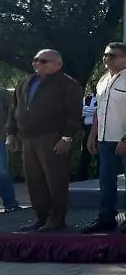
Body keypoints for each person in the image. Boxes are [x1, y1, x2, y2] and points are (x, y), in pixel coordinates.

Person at [5, 50, 82, 231]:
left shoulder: (67, 84)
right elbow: (13, 109)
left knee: (55, 180)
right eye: (35, 60)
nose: (37, 63)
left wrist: (66, 137)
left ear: (58, 64)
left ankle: (56, 219)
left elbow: (74, 113)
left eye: (43, 61)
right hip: (28, 139)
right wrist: (11, 133)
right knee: (34, 181)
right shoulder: (24, 82)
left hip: (52, 138)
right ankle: (41, 217)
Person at [81, 42, 126, 234]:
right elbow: (99, 109)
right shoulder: (104, 79)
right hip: (106, 139)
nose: (107, 59)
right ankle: (106, 218)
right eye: (106, 55)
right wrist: (92, 134)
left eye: (112, 55)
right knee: (106, 180)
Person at [0, 87, 22, 212]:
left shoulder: (3, 94)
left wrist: (9, 132)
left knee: (2, 172)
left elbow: (13, 112)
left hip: (0, 138)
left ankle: (10, 204)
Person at [75, 89, 98, 181]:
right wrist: (93, 111)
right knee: (85, 153)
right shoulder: (87, 98)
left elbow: (100, 111)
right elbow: (81, 110)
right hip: (87, 128)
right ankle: (81, 176)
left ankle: (98, 175)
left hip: (99, 128)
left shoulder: (101, 98)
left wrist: (91, 111)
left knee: (99, 154)